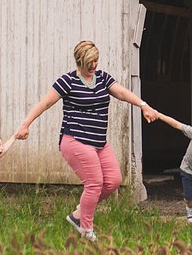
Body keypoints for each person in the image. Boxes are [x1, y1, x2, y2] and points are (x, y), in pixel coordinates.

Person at [15, 40, 156, 242]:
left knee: (114, 181)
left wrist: (143, 105)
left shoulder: (102, 79)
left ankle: (78, 214)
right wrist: (25, 124)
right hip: (75, 139)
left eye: (96, 61)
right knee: (94, 183)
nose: (93, 65)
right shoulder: (67, 81)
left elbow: (122, 93)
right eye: (89, 62)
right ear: (79, 60)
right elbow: (45, 103)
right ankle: (86, 230)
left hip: (99, 141)